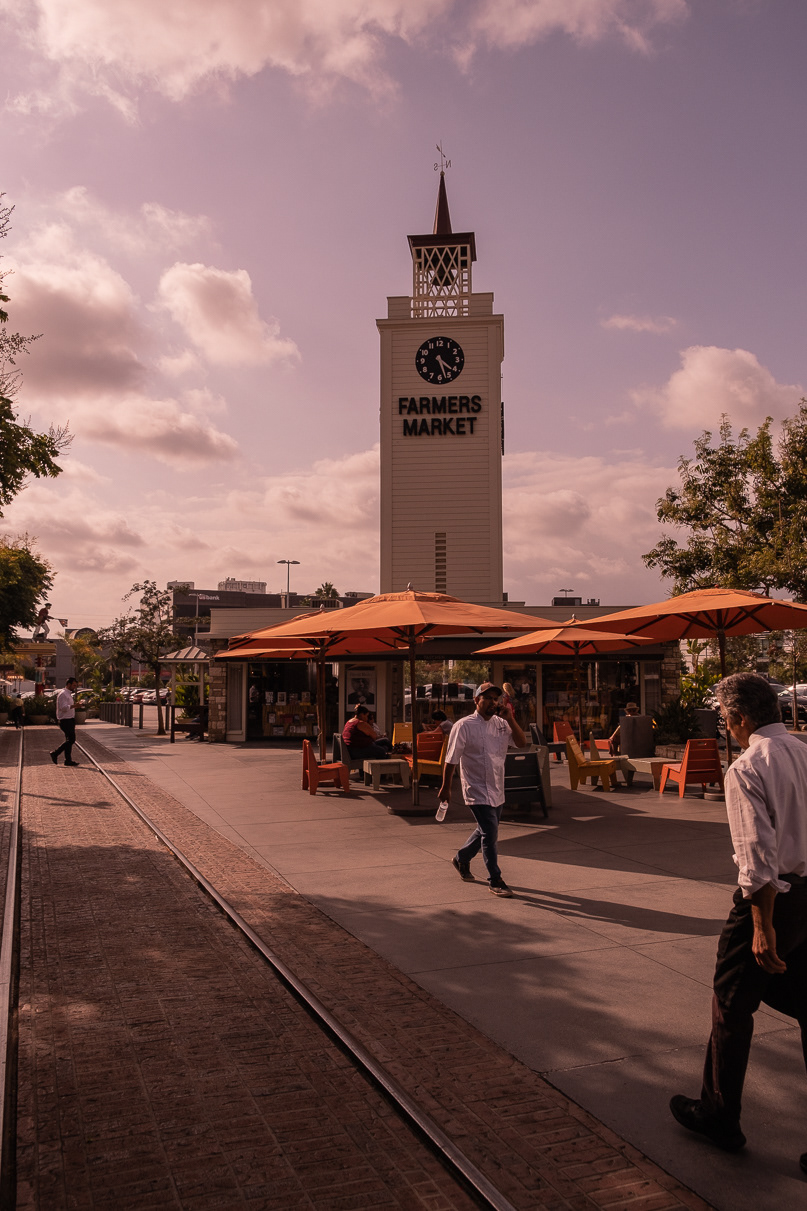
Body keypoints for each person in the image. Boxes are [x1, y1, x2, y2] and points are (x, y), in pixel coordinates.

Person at [669, 673, 807, 1170]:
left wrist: (762, 925)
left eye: (726, 719)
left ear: (739, 717)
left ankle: (719, 1115)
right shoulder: (805, 752)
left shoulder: (748, 766)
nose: (726, 727)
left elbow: (757, 856)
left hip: (774, 900)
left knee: (730, 1004)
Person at [439, 682, 528, 898]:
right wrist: (446, 788)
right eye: (487, 698)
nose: (492, 702)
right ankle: (495, 879)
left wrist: (510, 719)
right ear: (476, 700)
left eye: (496, 699)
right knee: (490, 833)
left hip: (497, 787)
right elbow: (451, 760)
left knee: (486, 829)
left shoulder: (501, 724)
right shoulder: (463, 726)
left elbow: (521, 743)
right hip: (475, 788)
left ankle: (461, 858)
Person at [50, 677, 80, 766]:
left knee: (68, 740)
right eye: (74, 685)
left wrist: (76, 706)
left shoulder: (68, 694)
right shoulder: (63, 694)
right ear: (69, 684)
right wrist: (75, 706)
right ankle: (55, 753)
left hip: (70, 719)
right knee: (71, 739)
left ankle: (68, 760)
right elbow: (63, 708)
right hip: (65, 720)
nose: (74, 687)